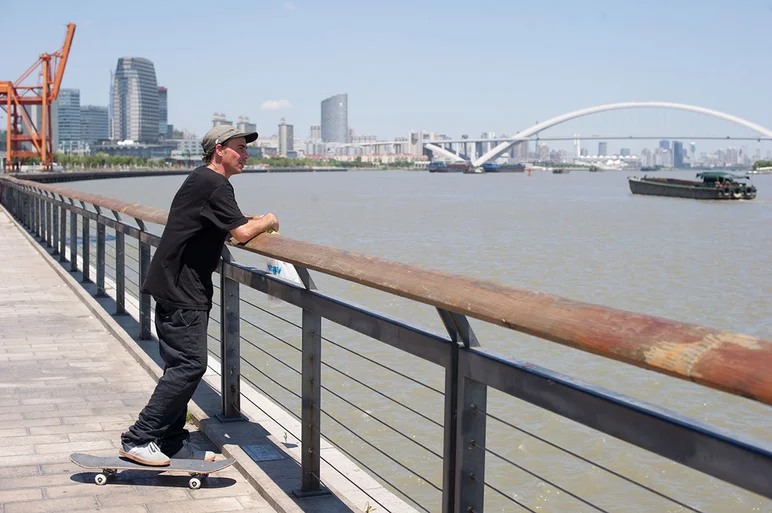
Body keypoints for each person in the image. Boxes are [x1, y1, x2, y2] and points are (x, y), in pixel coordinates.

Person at [120, 125, 279, 466]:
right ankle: (139, 438)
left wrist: (247, 220)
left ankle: (172, 441)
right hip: (182, 289)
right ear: (219, 150)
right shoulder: (215, 183)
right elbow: (242, 232)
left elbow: (224, 222)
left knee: (180, 365)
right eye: (240, 148)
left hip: (176, 284)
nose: (246, 154)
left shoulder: (203, 180)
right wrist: (268, 219)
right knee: (191, 365)